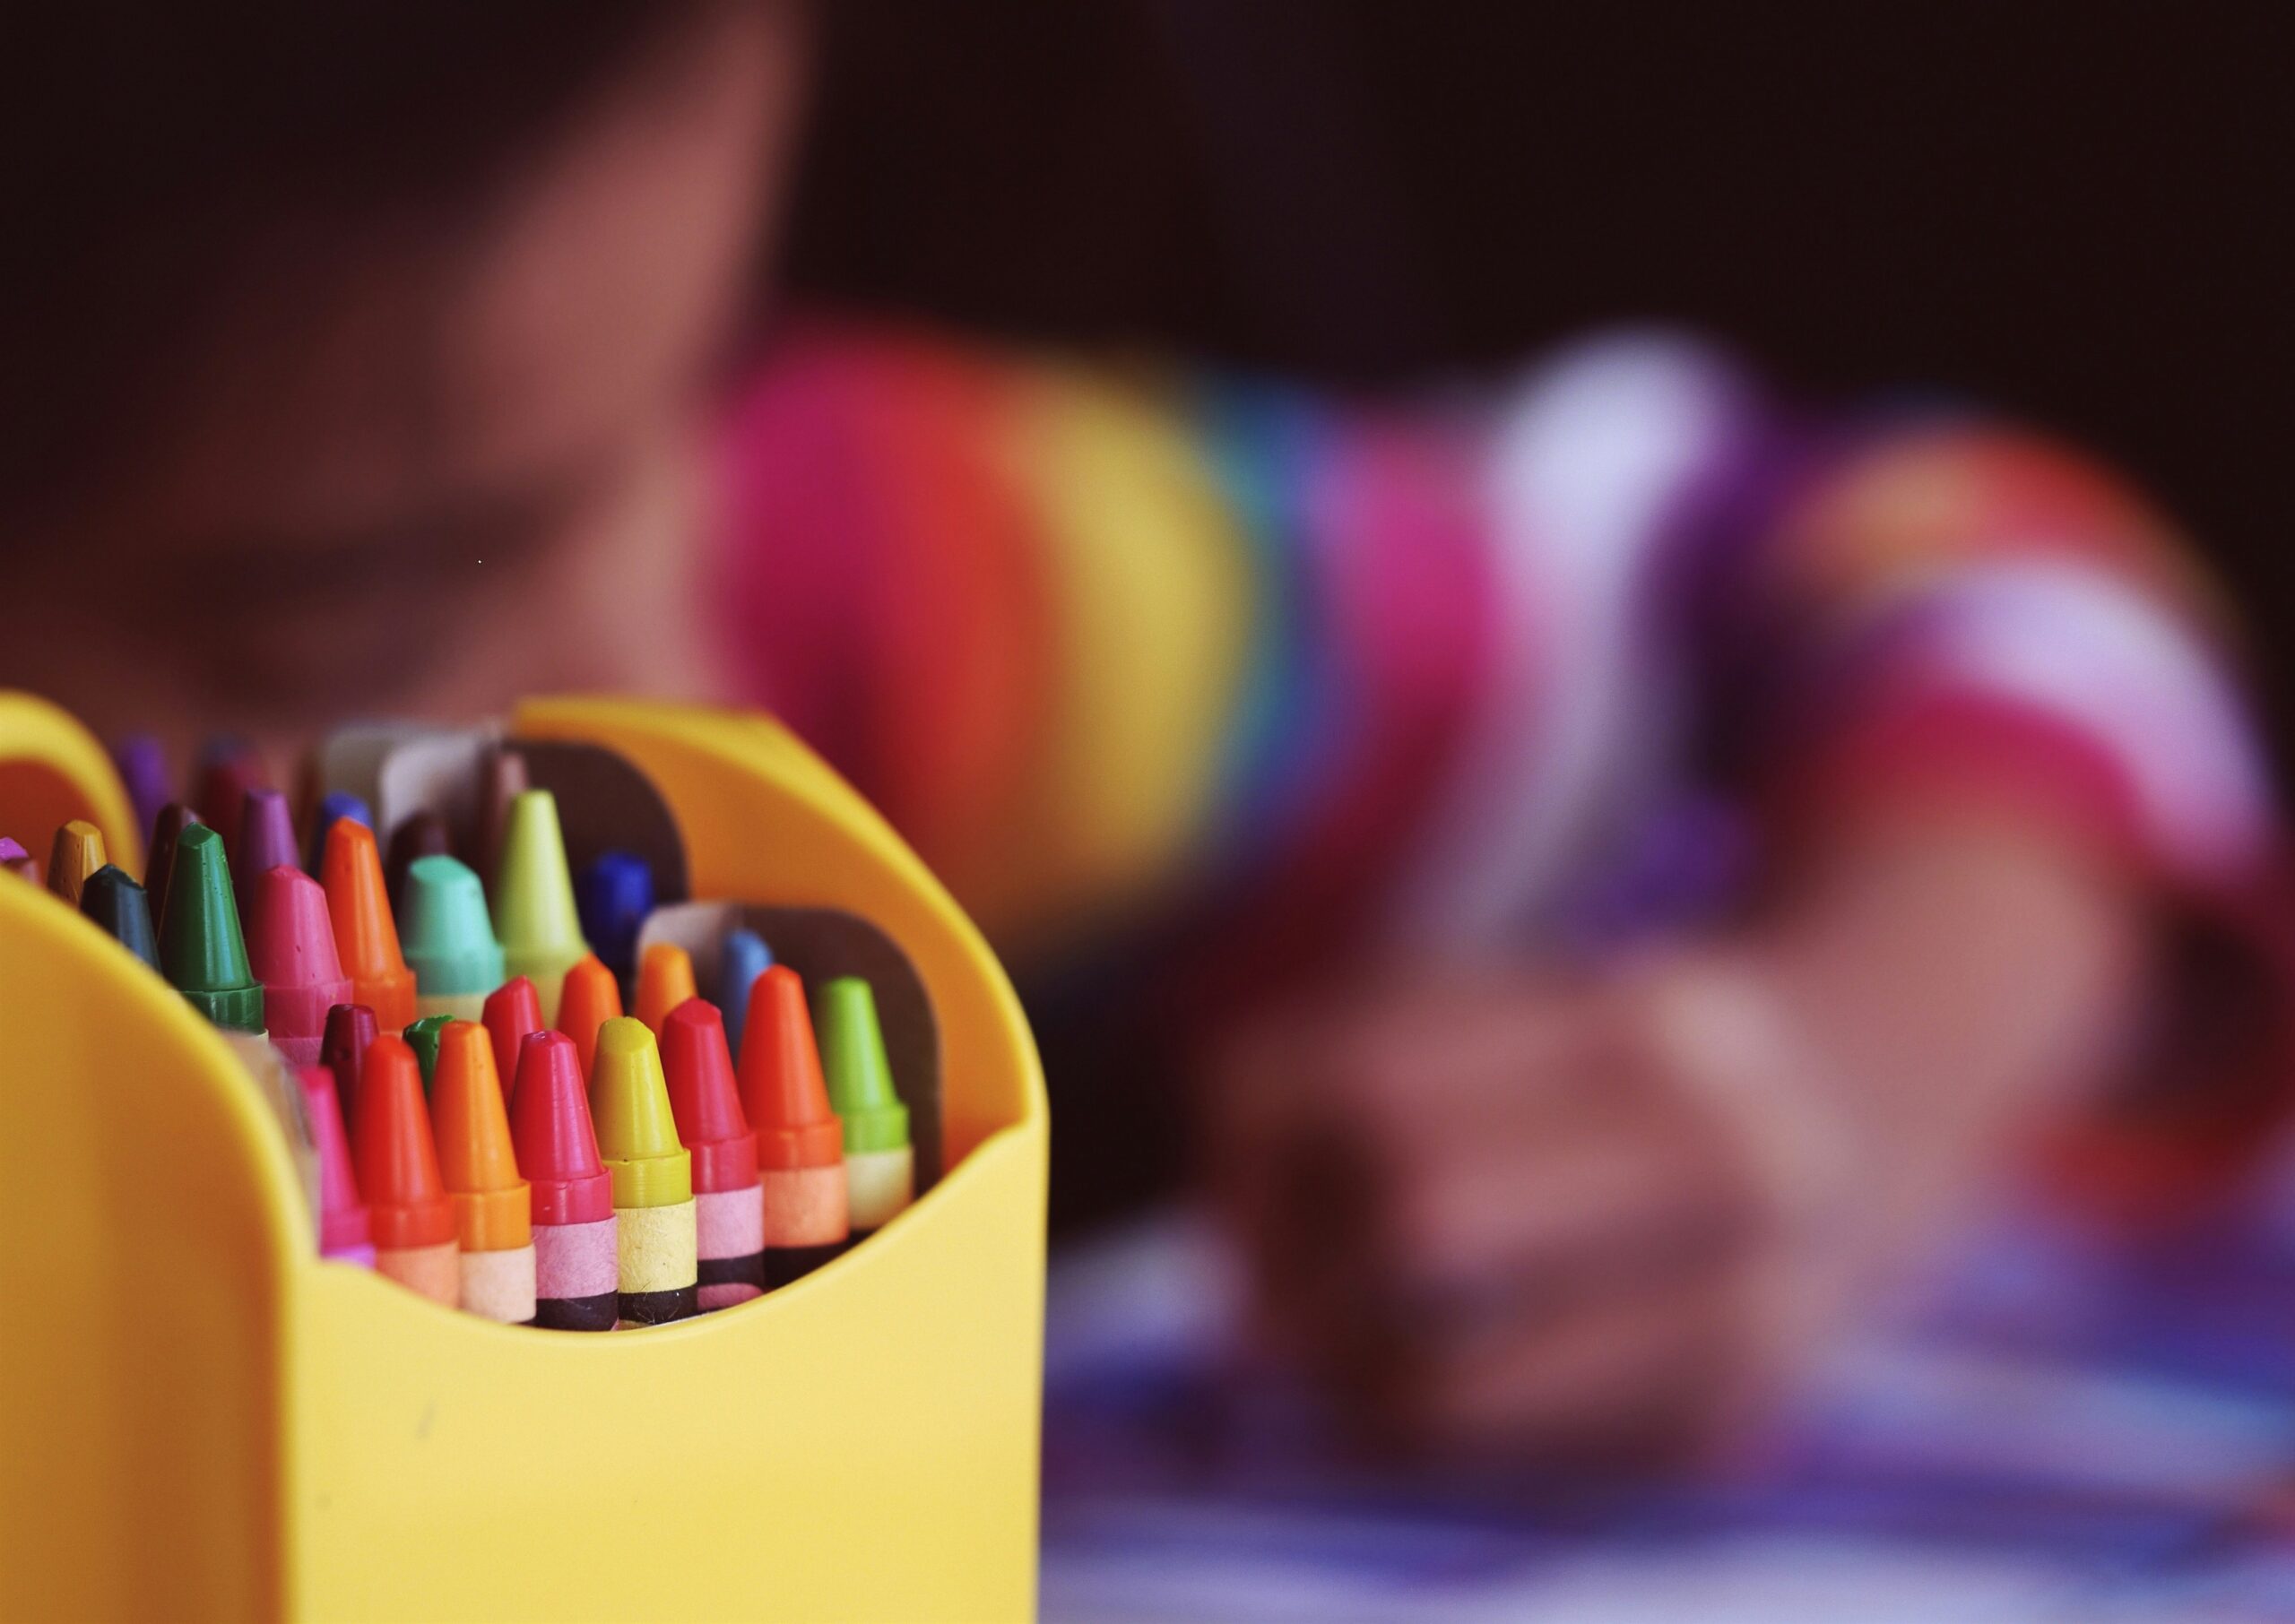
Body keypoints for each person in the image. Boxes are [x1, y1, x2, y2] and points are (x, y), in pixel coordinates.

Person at [3, 0, 2282, 1464]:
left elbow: (1917, 561)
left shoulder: (842, 580)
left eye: (703, 374)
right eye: (343, 602)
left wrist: (1839, 1076)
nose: (668, 678)